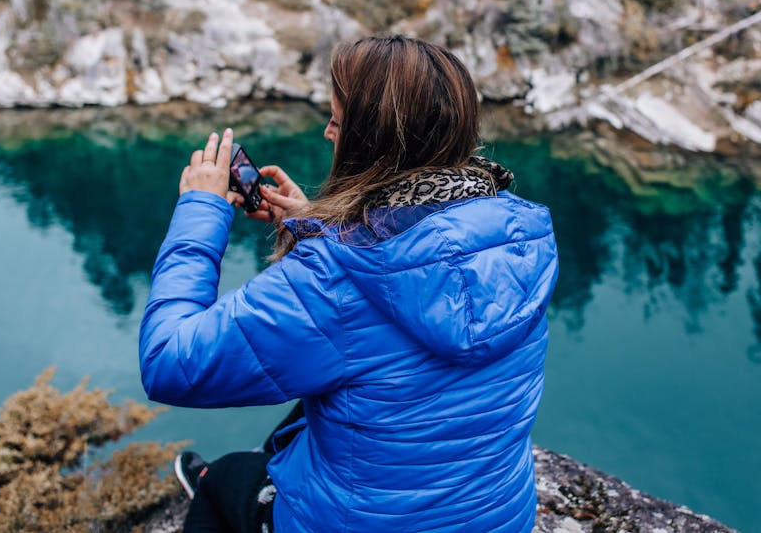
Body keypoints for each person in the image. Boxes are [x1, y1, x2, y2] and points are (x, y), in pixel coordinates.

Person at [139, 36, 559, 533]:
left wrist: (200, 210)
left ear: (370, 139)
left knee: (226, 481)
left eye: (337, 120)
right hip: (498, 520)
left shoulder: (330, 282)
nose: (326, 132)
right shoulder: (517, 235)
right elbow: (409, 261)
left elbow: (169, 360)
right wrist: (314, 222)